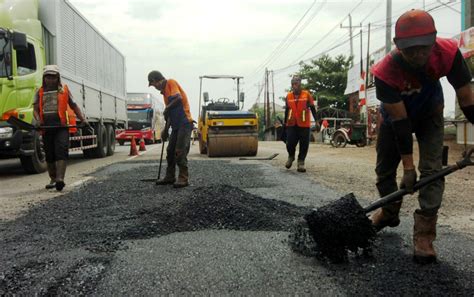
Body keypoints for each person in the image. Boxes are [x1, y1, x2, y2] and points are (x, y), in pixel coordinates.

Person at [370, 9, 474, 264]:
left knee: (431, 171)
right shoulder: (384, 72)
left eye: (423, 48)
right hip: (396, 120)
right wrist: (407, 166)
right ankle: (389, 211)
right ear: (397, 46)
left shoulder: (448, 53)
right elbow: (401, 122)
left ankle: (424, 235)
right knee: (384, 170)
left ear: (434, 40)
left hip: (430, 114)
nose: (418, 54)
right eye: (410, 49)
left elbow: (467, 100)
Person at [33, 65, 89, 191]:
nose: (50, 80)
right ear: (44, 78)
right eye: (48, 77)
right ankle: (53, 178)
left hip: (62, 126)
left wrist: (83, 119)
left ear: (58, 78)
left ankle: (60, 179)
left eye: (53, 77)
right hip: (47, 127)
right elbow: (35, 109)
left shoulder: (64, 90)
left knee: (61, 150)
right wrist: (37, 120)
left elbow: (74, 106)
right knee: (49, 154)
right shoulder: (39, 91)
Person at [148, 70, 193, 188]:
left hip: (184, 123)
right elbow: (169, 116)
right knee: (170, 151)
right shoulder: (164, 94)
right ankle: (170, 176)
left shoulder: (171, 83)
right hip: (176, 125)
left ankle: (183, 178)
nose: (155, 87)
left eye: (153, 84)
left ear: (157, 80)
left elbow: (178, 98)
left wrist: (167, 108)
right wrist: (165, 130)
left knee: (180, 151)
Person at [283, 75, 318, 172]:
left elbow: (312, 109)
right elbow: (287, 110)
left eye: (296, 84)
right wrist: (285, 123)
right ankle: (291, 156)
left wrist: (317, 121)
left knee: (304, 145)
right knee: (289, 143)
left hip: (304, 125)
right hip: (291, 124)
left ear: (300, 84)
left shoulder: (307, 95)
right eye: (293, 84)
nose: (294, 86)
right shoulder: (288, 96)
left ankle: (301, 162)